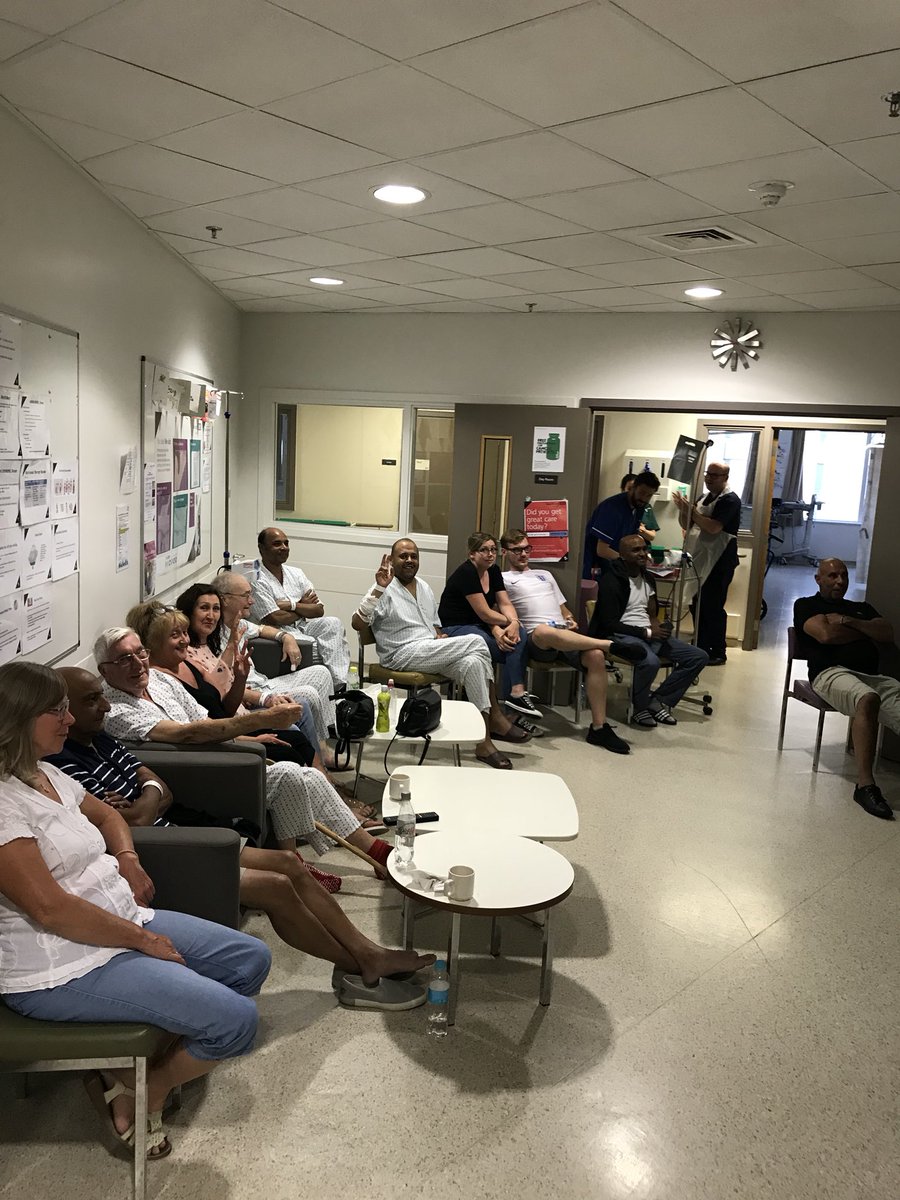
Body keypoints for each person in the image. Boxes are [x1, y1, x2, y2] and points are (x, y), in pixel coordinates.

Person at [0, 659, 272, 1160]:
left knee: (250, 960)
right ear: (17, 718)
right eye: (55, 711)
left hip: (119, 920)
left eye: (66, 708)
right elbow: (51, 909)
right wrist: (145, 943)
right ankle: (145, 1083)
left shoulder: (45, 772)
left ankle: (133, 1071)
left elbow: (105, 815)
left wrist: (127, 859)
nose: (68, 720)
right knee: (236, 1023)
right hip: (59, 964)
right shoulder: (3, 803)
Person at [45, 667, 435, 1009]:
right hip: (161, 853)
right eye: (91, 700)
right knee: (276, 886)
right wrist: (148, 802)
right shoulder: (59, 762)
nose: (106, 707)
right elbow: (114, 820)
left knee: (287, 863)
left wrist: (147, 799)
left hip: (173, 831)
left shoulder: (98, 740)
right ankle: (358, 963)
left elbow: (154, 784)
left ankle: (368, 952)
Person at [95, 626, 394, 873]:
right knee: (290, 771)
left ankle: (366, 853)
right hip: (192, 775)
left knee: (305, 774)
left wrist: (247, 740)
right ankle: (301, 867)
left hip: (220, 755)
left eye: (140, 653)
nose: (137, 664)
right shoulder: (115, 709)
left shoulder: (158, 680)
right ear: (104, 670)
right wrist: (261, 719)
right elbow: (186, 734)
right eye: (124, 659)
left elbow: (203, 718)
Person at [353, 538, 531, 770]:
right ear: (392, 560)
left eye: (414, 556)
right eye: (403, 556)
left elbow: (434, 623)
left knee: (473, 662)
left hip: (428, 649)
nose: (409, 560)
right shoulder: (383, 588)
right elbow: (357, 623)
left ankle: (484, 742)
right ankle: (496, 715)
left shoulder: (425, 587)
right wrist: (378, 588)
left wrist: (439, 635)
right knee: (477, 641)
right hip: (400, 653)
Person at [500, 528, 638, 755]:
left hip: (563, 635)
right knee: (545, 631)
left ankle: (599, 727)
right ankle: (606, 644)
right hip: (538, 641)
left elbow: (564, 610)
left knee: (595, 656)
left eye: (527, 549)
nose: (524, 554)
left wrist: (570, 619)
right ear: (505, 552)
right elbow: (501, 612)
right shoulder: (503, 579)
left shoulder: (545, 575)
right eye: (517, 551)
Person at [793, 557, 898, 821]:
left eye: (843, 576)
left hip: (873, 676)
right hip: (830, 674)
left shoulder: (859, 608)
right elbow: (826, 636)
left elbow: (886, 633)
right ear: (819, 579)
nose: (839, 581)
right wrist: (867, 632)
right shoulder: (806, 605)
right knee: (867, 698)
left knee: (879, 693)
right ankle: (865, 786)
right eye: (832, 576)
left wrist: (848, 622)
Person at [210, 572, 339, 760]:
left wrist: (286, 637)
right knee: (309, 694)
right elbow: (223, 687)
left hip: (266, 684)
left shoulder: (238, 623)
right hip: (253, 696)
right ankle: (320, 756)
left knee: (321, 673)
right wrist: (263, 698)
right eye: (246, 595)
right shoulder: (211, 636)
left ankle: (322, 745)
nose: (252, 601)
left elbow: (262, 628)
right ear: (225, 599)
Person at [590, 534, 709, 727]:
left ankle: (657, 700)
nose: (643, 553)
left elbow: (652, 613)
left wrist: (657, 626)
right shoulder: (611, 581)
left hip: (648, 632)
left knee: (698, 657)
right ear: (622, 555)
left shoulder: (647, 577)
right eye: (636, 550)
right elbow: (609, 623)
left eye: (644, 549)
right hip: (622, 634)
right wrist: (646, 633)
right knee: (650, 661)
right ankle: (639, 708)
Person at [438, 531, 539, 723]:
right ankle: (499, 710)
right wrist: (504, 625)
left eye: (493, 549)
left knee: (520, 636)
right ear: (472, 554)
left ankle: (516, 692)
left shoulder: (493, 571)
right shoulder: (466, 572)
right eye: (484, 550)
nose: (490, 554)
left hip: (480, 624)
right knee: (488, 643)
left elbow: (505, 603)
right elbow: (484, 613)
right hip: (456, 627)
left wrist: (514, 624)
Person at [250, 527, 351, 689]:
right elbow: (275, 618)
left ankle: (339, 686)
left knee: (333, 623)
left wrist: (292, 605)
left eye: (286, 543)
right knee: (322, 647)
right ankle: (328, 686)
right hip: (276, 632)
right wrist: (303, 606)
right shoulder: (256, 578)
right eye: (277, 544)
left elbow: (318, 610)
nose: (284, 547)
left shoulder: (296, 573)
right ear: (262, 548)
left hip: (302, 626)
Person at [673, 462, 740, 665]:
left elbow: (713, 528)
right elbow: (688, 524)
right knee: (698, 604)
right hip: (700, 559)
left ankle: (718, 650)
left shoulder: (730, 500)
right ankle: (701, 644)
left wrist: (691, 511)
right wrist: (683, 511)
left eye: (714, 475)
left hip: (720, 561)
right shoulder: (703, 498)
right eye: (707, 474)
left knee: (713, 606)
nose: (708, 478)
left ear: (725, 477)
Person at [583, 469, 660, 579]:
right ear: (633, 488)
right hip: (597, 565)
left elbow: (630, 540)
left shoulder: (638, 507)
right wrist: (629, 560)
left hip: (616, 564)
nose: (644, 499)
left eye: (649, 495)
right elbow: (601, 550)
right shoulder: (612, 508)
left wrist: (642, 556)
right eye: (642, 493)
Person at [620, 473, 659, 545]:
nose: (644, 498)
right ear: (622, 489)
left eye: (649, 495)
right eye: (629, 489)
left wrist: (641, 530)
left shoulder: (644, 507)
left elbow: (652, 536)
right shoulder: (615, 508)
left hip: (641, 549)